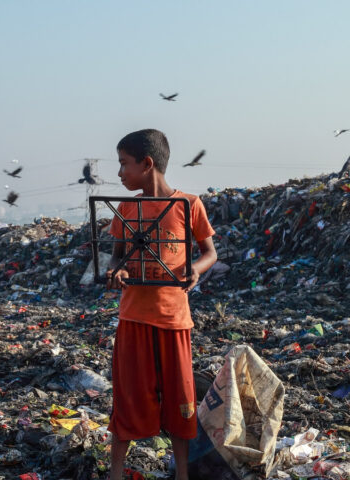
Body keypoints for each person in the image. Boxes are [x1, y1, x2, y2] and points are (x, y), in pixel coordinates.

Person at [105, 129, 218, 480]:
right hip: (134, 317)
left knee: (180, 401)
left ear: (147, 163)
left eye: (124, 164)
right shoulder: (126, 208)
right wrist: (115, 274)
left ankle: (181, 474)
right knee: (129, 396)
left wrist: (194, 272)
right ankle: (116, 472)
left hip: (173, 319)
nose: (120, 173)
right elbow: (115, 259)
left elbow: (209, 253)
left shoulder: (189, 205)